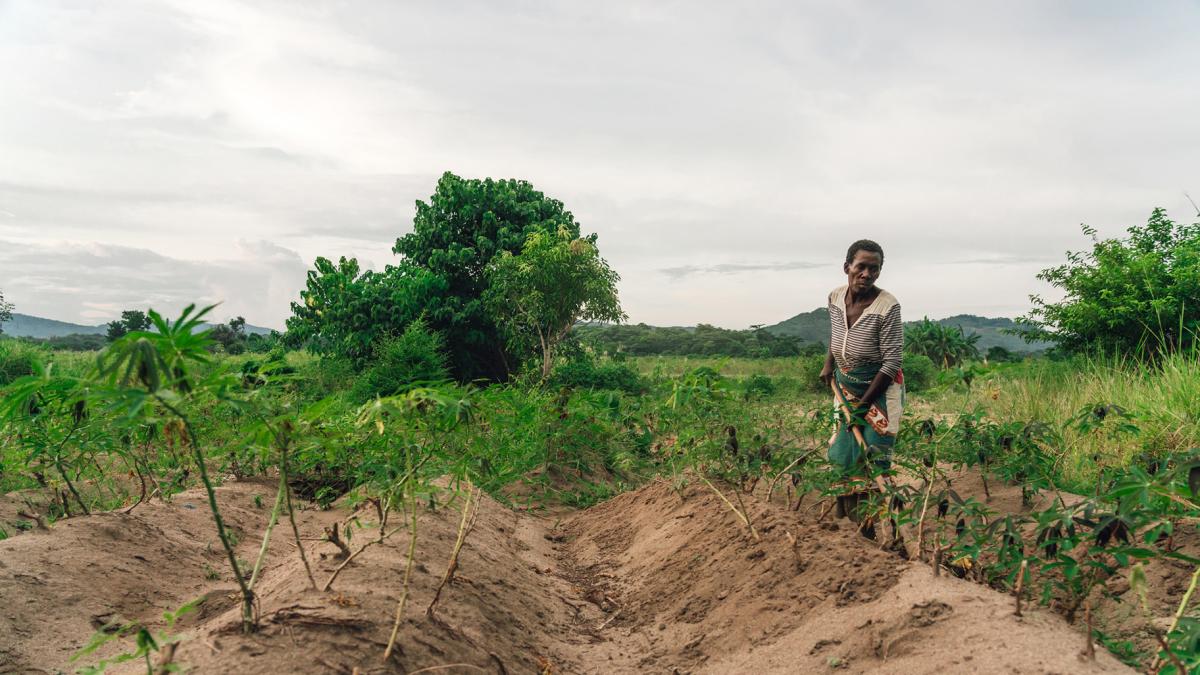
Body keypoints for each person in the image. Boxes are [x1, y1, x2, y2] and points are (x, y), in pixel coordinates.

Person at [819, 239, 904, 488]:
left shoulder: (887, 306)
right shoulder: (835, 297)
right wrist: (828, 364)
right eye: (861, 267)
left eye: (874, 269)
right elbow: (837, 333)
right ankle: (845, 509)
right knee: (843, 450)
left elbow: (891, 363)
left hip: (879, 391)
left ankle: (878, 514)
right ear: (847, 267)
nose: (867, 274)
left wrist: (861, 408)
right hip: (845, 386)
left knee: (874, 453)